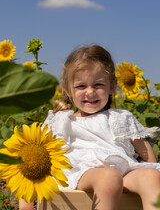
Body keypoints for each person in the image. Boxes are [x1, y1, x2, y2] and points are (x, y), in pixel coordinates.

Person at [19, 44, 160, 210]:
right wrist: (25, 204)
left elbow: (148, 156)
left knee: (151, 175)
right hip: (82, 175)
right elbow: (32, 160)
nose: (90, 92)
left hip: (124, 174)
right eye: (81, 86)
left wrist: (154, 173)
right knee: (109, 177)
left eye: (98, 85)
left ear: (112, 86)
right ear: (67, 89)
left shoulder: (121, 117)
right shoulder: (61, 121)